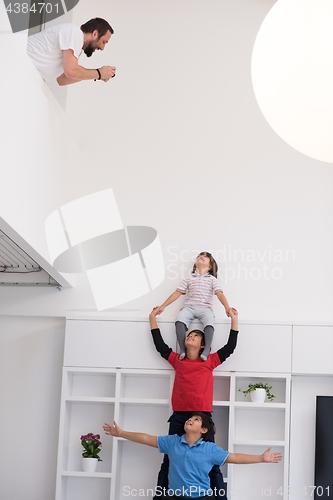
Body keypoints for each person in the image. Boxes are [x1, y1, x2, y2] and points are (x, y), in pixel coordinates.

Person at [148, 306, 238, 500]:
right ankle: (159, 497)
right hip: (180, 416)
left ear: (203, 345)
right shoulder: (178, 360)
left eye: (196, 336)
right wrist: (152, 319)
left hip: (203, 417)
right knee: (168, 460)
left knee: (213, 462)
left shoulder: (210, 361)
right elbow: (160, 346)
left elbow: (230, 348)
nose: (191, 336)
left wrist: (234, 320)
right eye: (189, 334)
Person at [103, 412, 282, 499]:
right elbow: (146, 438)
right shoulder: (172, 441)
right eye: (191, 418)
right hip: (174, 496)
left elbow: (234, 457)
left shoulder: (210, 449)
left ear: (204, 430)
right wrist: (122, 433)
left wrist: (261, 458)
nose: (191, 419)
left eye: (196, 420)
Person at [156, 251, 236, 361]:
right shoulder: (189, 278)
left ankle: (206, 349)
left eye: (205, 256)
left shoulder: (212, 279)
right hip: (189, 308)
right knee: (179, 320)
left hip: (205, 308)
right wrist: (163, 306)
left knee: (209, 322)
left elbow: (219, 294)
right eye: (199, 256)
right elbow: (177, 293)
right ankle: (183, 349)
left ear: (210, 266)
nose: (201, 257)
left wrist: (227, 307)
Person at [27, 17, 116, 86]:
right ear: (95, 34)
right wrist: (99, 73)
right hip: (21, 64)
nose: (102, 48)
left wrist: (98, 75)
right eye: (103, 42)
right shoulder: (74, 33)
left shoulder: (73, 42)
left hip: (26, 71)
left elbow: (62, 80)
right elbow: (71, 71)